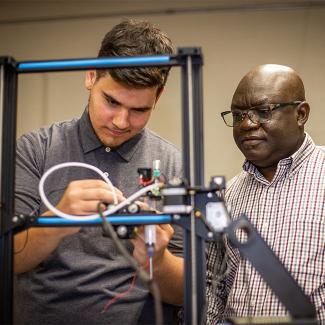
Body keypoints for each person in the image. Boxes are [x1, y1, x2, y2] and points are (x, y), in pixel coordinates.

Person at [14, 19, 184, 325]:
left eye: (139, 110)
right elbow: (9, 259)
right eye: (111, 101)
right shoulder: (35, 149)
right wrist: (56, 222)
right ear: (91, 76)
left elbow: (186, 292)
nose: (121, 121)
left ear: (158, 98)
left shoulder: (173, 165)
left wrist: (157, 260)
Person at [206, 64, 324, 323]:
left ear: (301, 113)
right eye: (238, 115)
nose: (247, 124)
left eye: (263, 111)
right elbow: (214, 286)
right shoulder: (228, 195)